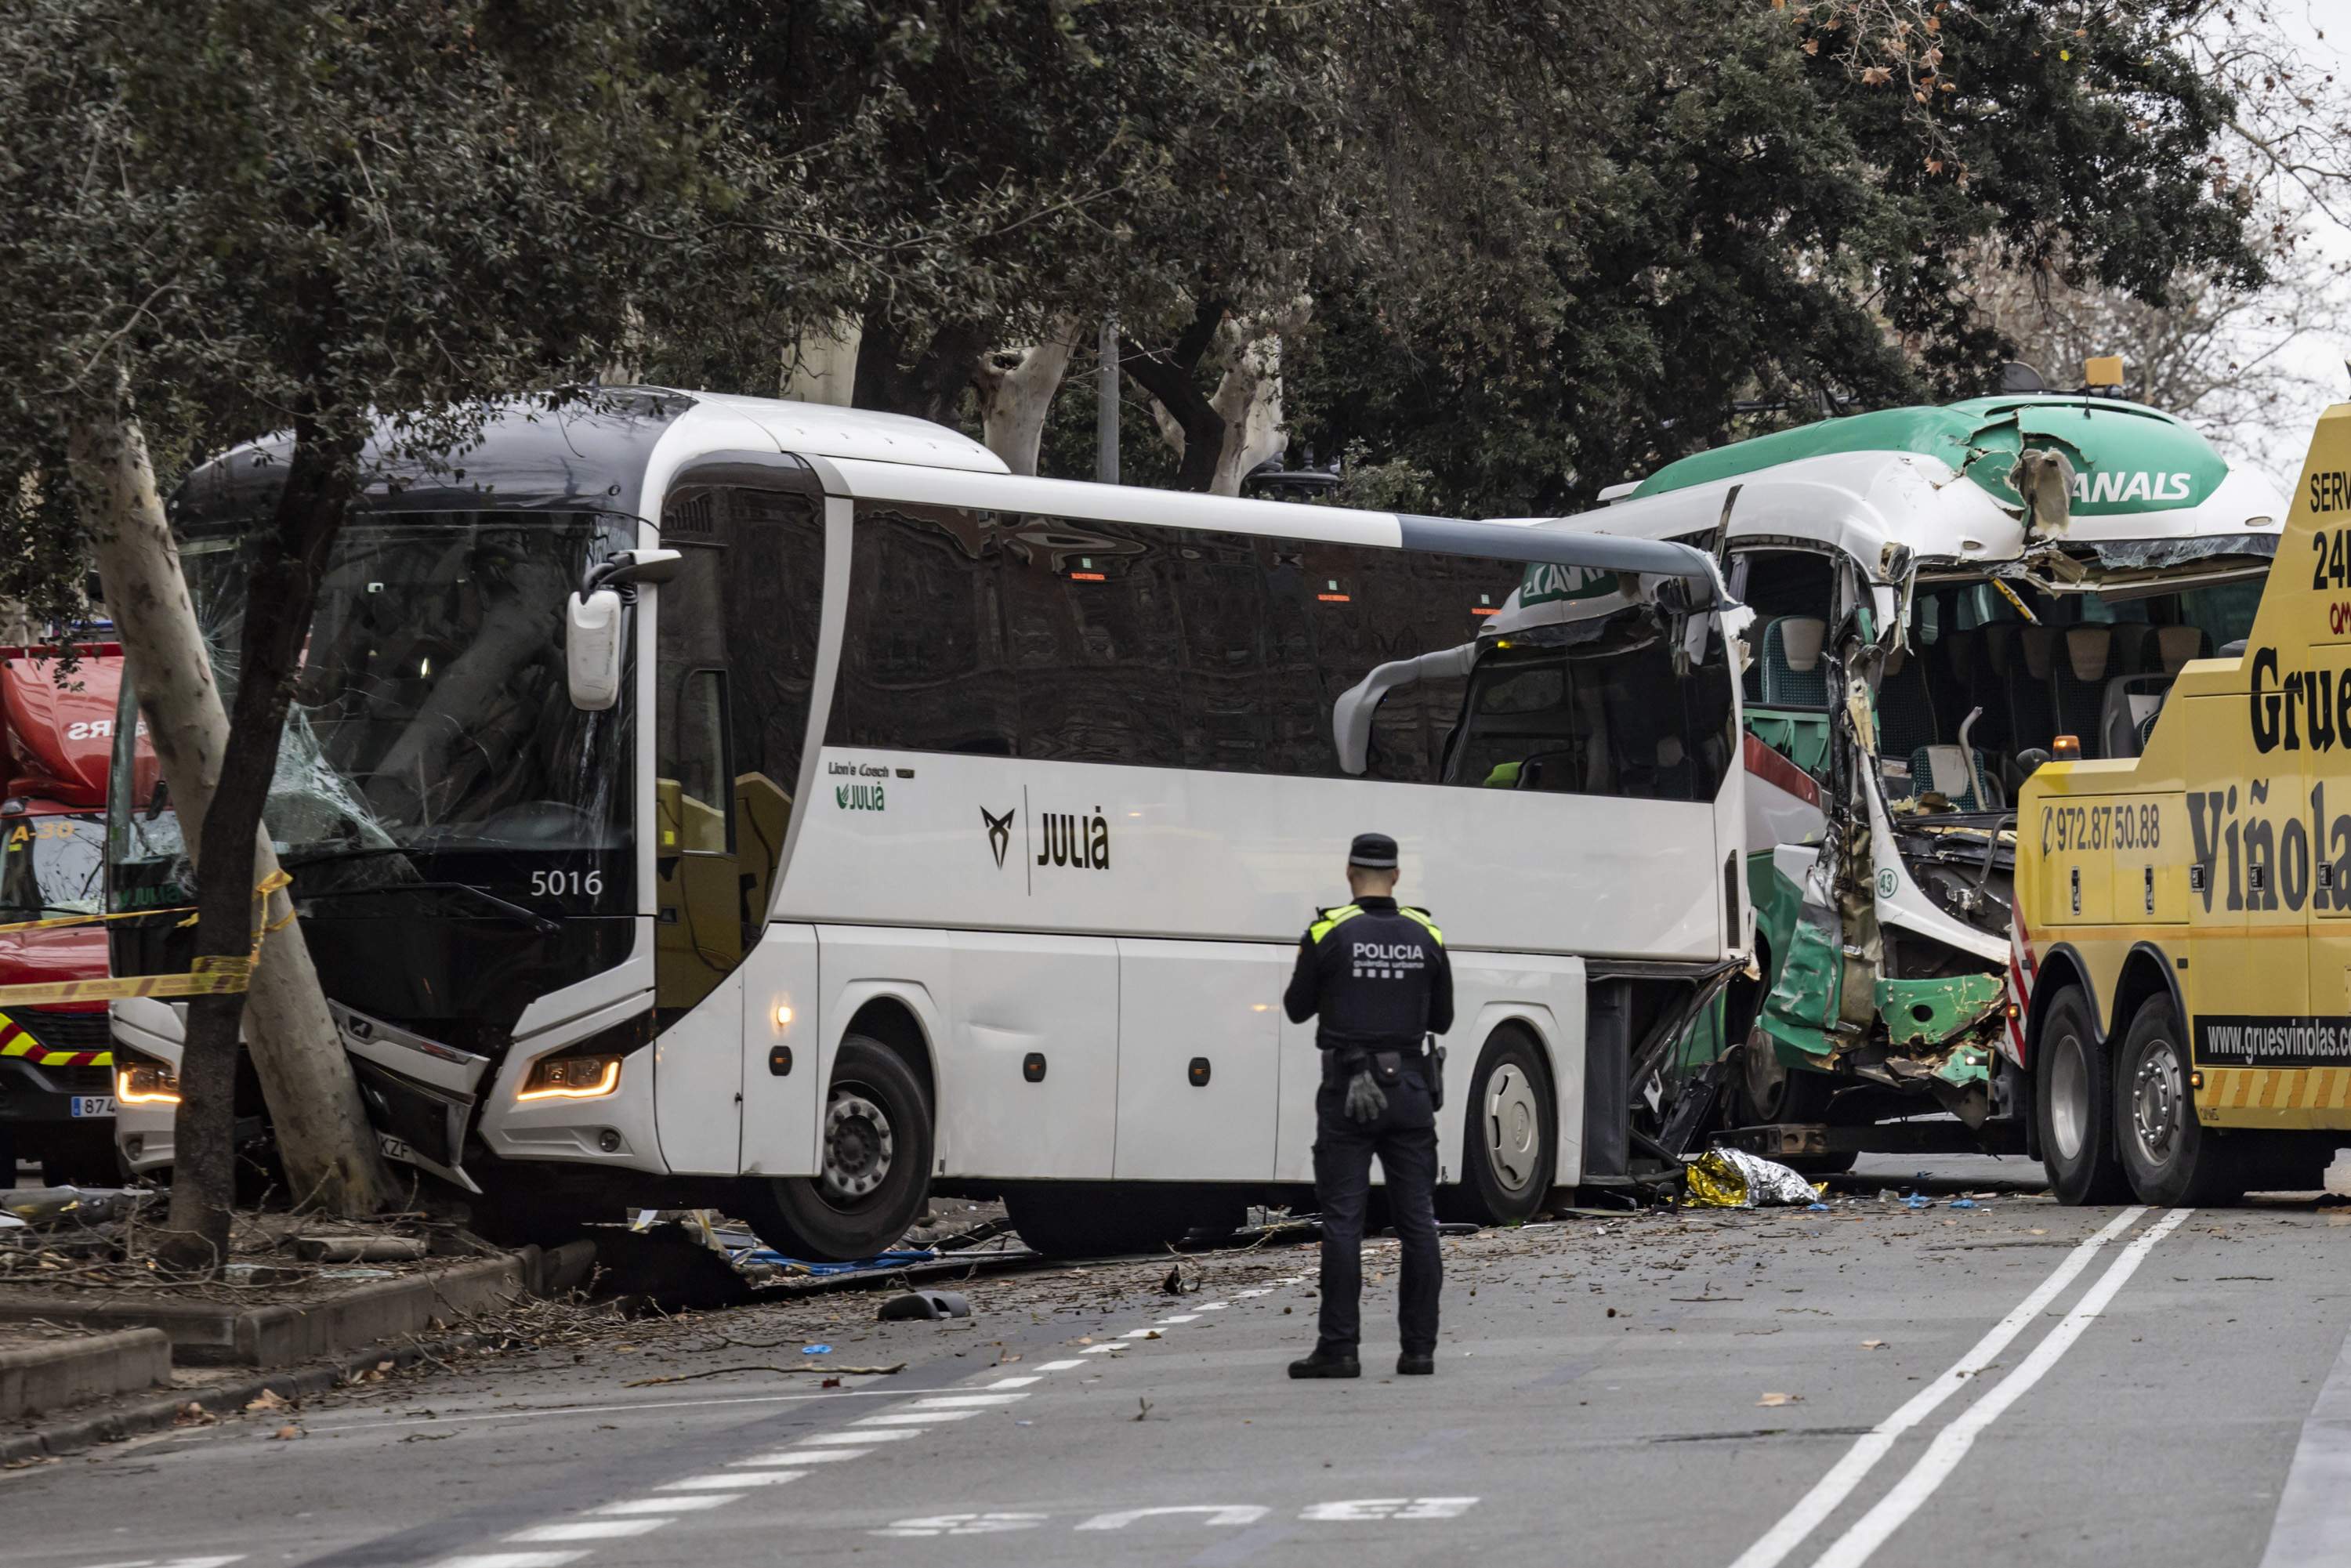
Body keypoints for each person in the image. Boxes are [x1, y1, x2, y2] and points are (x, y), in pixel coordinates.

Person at [1281, 831, 1453, 1379]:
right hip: (1409, 1090)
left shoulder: (1328, 930)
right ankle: (1419, 1350)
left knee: (1343, 1223)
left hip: (1348, 1091)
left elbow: (1295, 1008)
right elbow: (1443, 1019)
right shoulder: (1426, 933)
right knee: (1418, 1223)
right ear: (1397, 877)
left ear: (1351, 874)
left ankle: (1340, 1348)